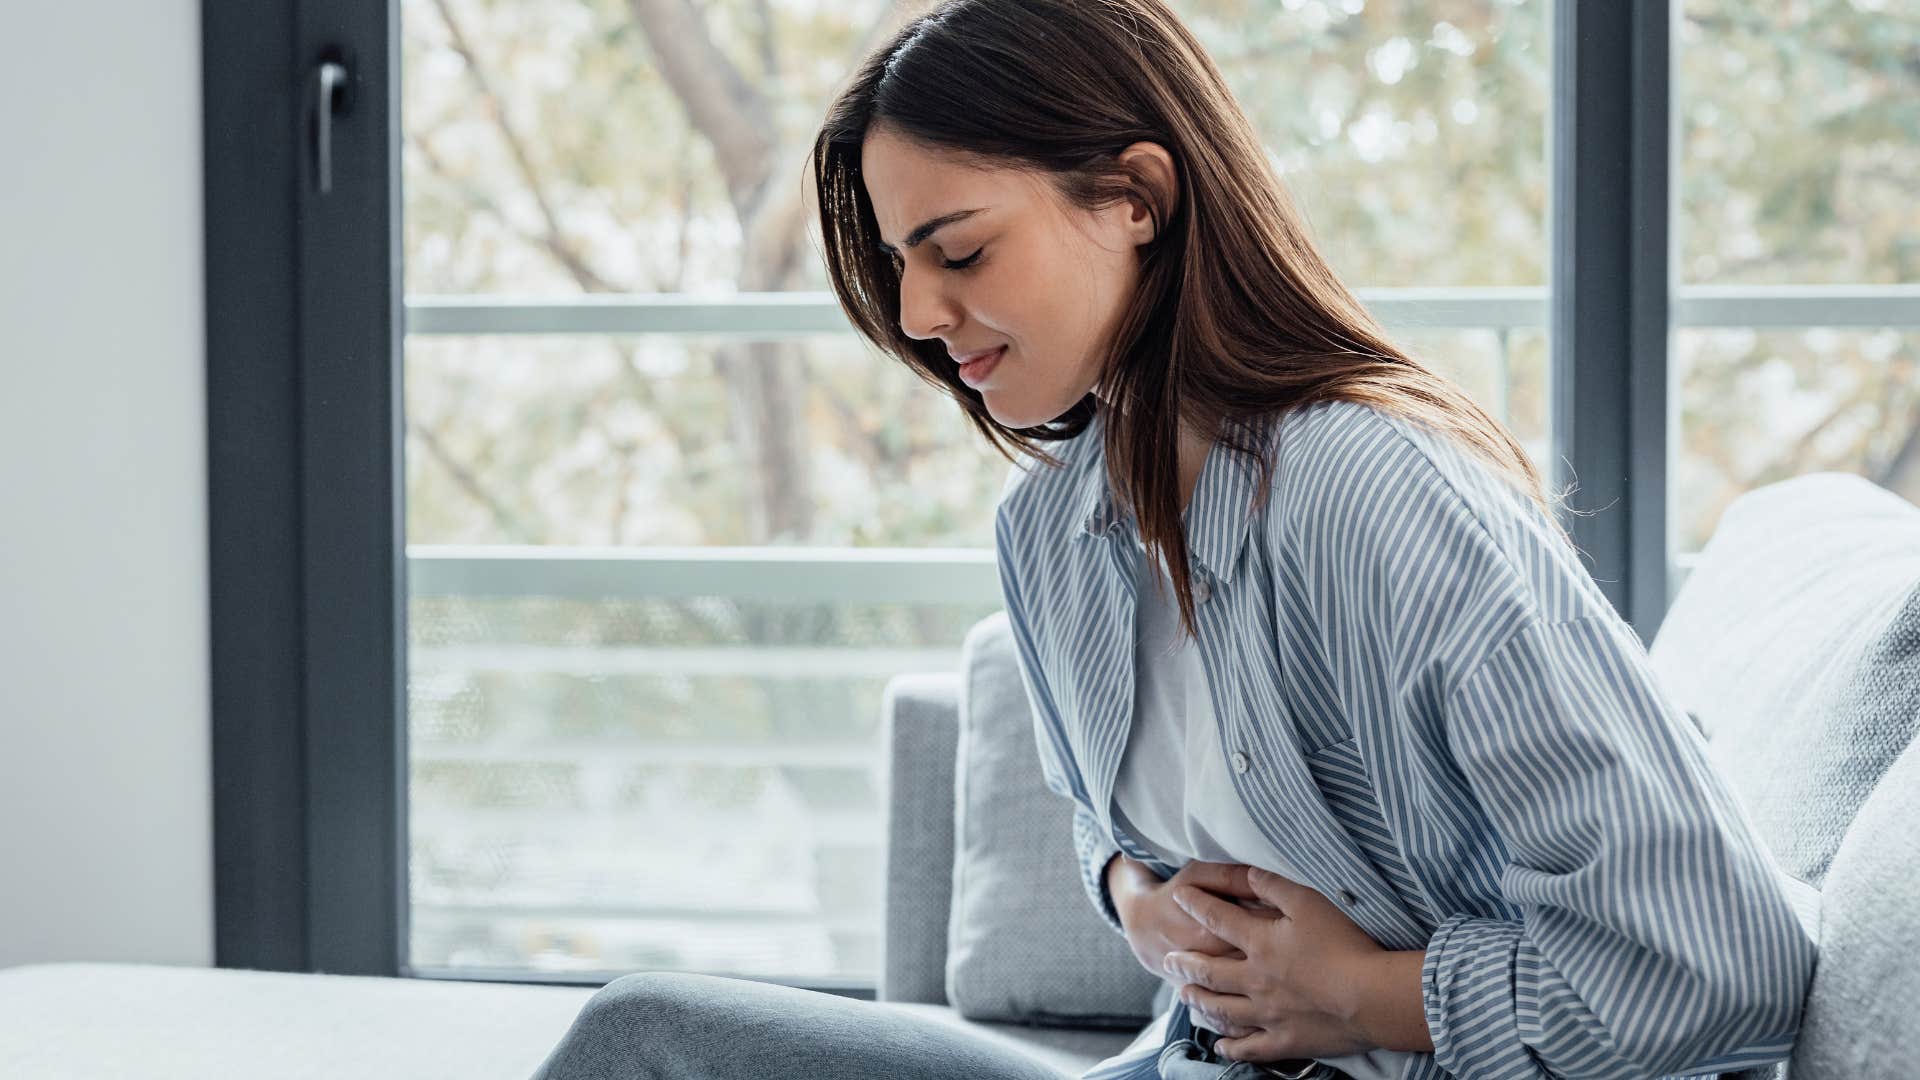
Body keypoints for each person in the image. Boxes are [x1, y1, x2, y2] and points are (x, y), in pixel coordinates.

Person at [532, 1, 1817, 1078]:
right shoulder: (1050, 530)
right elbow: (1113, 828)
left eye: (959, 248)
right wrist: (1139, 905)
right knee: (648, 1037)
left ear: (1136, 196)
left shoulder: (1371, 494)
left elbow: (1723, 960)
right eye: (900, 265)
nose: (920, 313)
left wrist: (1366, 995)